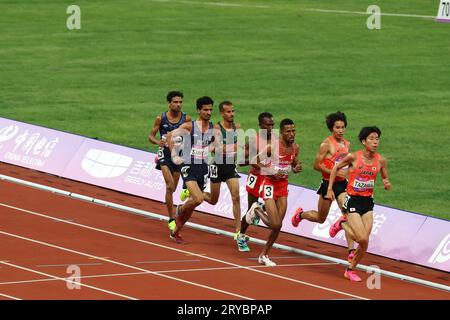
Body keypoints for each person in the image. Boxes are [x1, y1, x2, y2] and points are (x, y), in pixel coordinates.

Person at [326, 126, 391, 282]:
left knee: (364, 242)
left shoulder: (380, 160)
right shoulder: (353, 157)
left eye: (377, 139)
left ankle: (350, 270)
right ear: (364, 141)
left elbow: (384, 175)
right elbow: (335, 168)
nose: (375, 142)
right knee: (361, 239)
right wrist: (330, 189)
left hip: (368, 202)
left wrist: (386, 182)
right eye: (371, 139)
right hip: (353, 200)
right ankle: (341, 224)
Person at [291, 111, 355, 262]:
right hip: (328, 184)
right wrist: (334, 172)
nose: (340, 130)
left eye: (342, 127)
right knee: (321, 218)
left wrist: (350, 172)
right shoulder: (326, 144)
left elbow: (346, 164)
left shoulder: (347, 144)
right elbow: (316, 165)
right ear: (331, 128)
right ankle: (300, 215)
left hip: (342, 185)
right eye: (337, 127)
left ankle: (351, 250)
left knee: (348, 215)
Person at [246, 119, 302, 266]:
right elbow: (253, 160)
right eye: (288, 131)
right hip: (269, 184)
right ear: (282, 133)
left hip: (283, 186)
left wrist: (296, 169)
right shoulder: (273, 147)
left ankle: (264, 255)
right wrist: (270, 171)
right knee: (274, 224)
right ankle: (256, 209)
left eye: (293, 131)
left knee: (277, 226)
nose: (292, 134)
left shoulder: (295, 147)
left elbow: (294, 163)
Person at [166, 96, 219, 244]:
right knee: (198, 198)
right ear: (198, 110)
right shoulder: (190, 126)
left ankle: (176, 232)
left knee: (193, 205)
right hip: (188, 164)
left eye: (210, 109)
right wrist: (174, 154)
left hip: (203, 167)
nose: (208, 112)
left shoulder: (214, 128)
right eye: (205, 109)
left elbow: (216, 145)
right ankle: (180, 209)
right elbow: (170, 136)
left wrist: (212, 149)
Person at [148, 91, 191, 232]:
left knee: (173, 188)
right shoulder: (161, 118)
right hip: (165, 154)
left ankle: (176, 209)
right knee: (170, 185)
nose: (178, 105)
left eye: (180, 102)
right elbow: (151, 136)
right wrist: (158, 141)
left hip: (178, 156)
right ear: (169, 103)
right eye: (175, 102)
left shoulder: (186, 119)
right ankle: (171, 218)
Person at [201, 101, 243, 240]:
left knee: (236, 197)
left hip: (230, 166)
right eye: (228, 112)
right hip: (217, 166)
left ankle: (238, 231)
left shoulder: (237, 127)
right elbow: (219, 149)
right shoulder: (217, 128)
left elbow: (239, 147)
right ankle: (196, 192)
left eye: (233, 111)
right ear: (222, 113)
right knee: (213, 200)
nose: (231, 114)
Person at [235, 112, 275, 252]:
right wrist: (255, 161)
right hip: (256, 178)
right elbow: (241, 160)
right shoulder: (254, 141)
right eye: (267, 125)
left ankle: (260, 209)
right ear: (260, 126)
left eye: (272, 125)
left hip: (271, 178)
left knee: (273, 205)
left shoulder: (277, 140)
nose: (270, 127)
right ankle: (241, 236)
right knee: (250, 208)